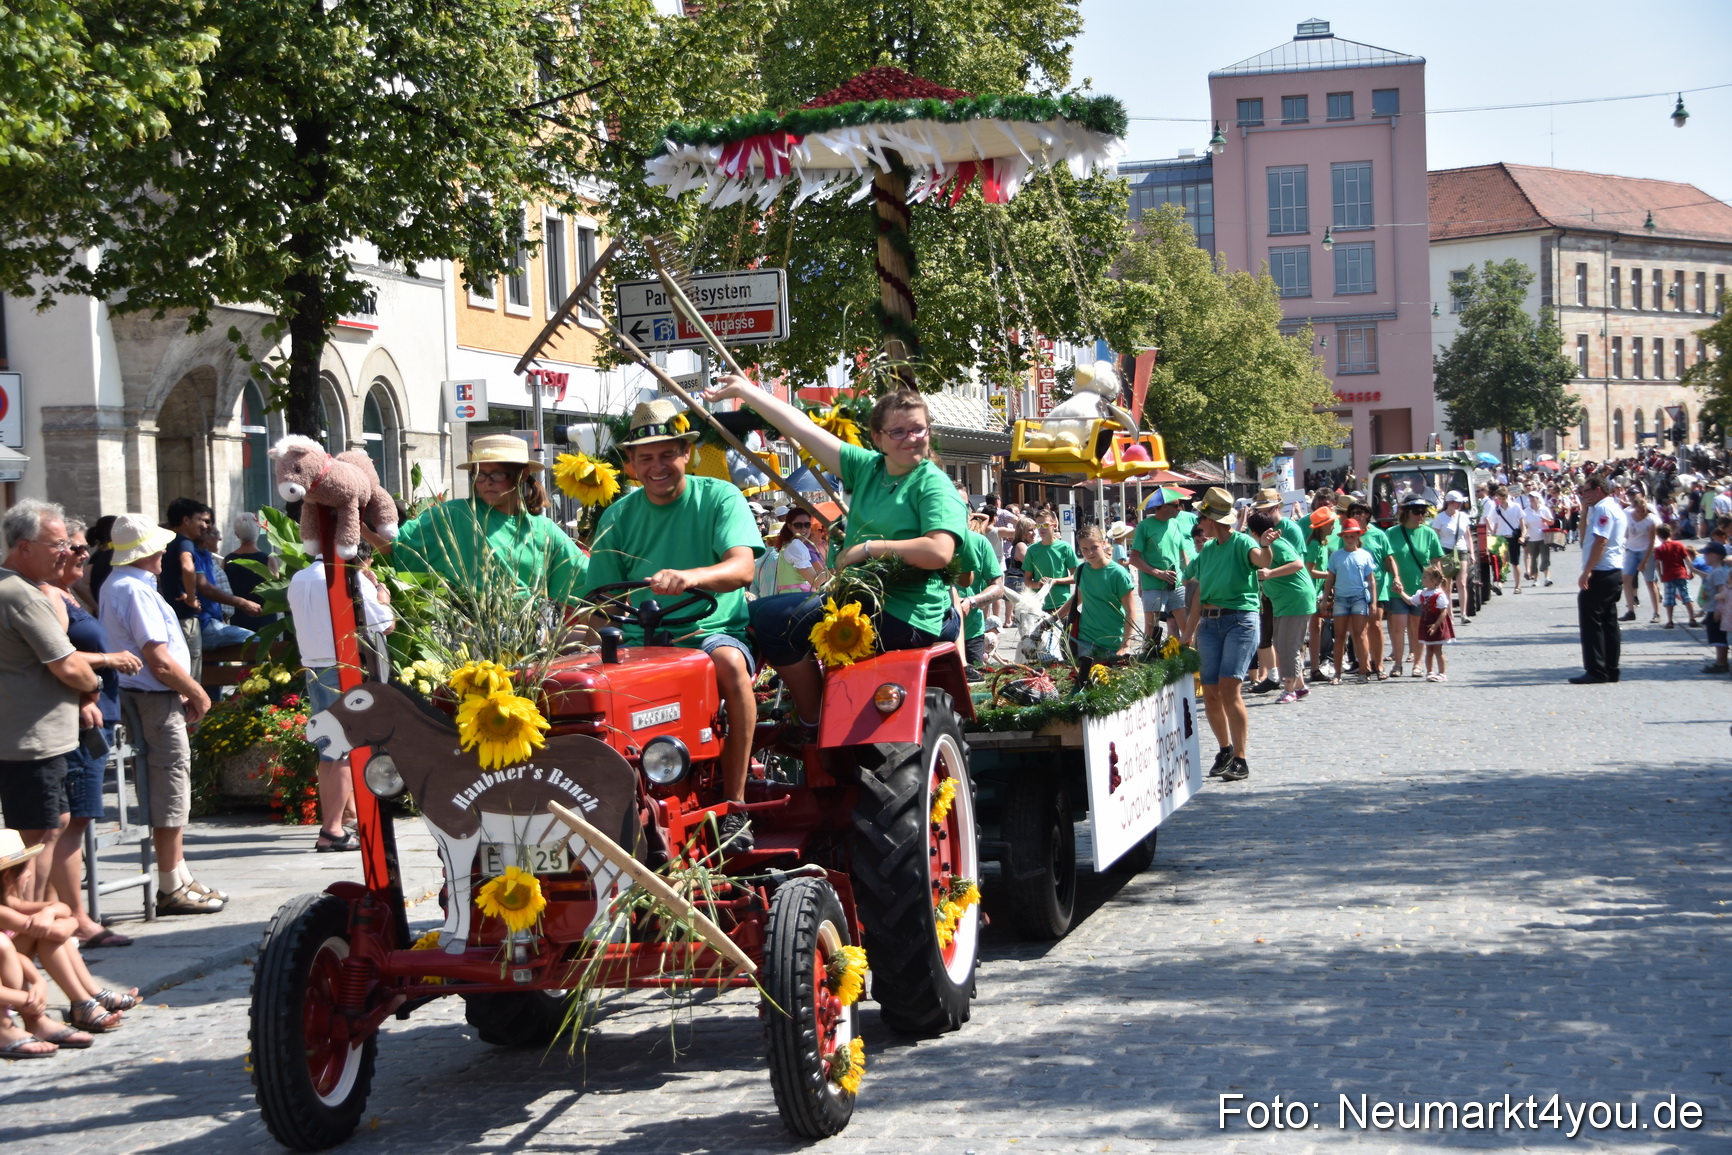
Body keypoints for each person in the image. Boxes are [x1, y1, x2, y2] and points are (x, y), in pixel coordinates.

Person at [707, 379, 963, 744]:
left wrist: (869, 548)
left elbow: (940, 551)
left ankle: (814, 722)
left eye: (919, 429)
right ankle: (786, 716)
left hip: (904, 614)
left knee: (776, 619)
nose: (912, 438)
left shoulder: (933, 485)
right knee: (760, 613)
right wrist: (746, 391)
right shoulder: (869, 469)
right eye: (899, 431)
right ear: (877, 437)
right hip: (859, 601)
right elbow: (801, 427)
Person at [585, 399, 765, 849]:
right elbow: (600, 602)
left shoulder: (719, 498)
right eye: (645, 457)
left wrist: (690, 577)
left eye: (668, 453)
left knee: (728, 665)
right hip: (638, 640)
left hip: (708, 632)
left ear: (687, 452)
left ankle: (735, 805)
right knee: (584, 686)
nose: (657, 465)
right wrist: (583, 641)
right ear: (630, 464)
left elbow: (742, 568)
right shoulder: (618, 516)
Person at [98, 513, 222, 913]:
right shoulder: (132, 588)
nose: (165, 549)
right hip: (155, 697)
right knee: (170, 783)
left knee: (171, 782)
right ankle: (171, 883)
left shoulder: (125, 584)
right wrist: (197, 692)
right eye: (158, 544)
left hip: (150, 695)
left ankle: (178, 875)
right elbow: (159, 660)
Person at [35, 517, 141, 946]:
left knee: (73, 820)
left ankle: (62, 913)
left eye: (83, 548)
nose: (84, 555)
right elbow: (59, 658)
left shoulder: (64, 591)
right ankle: (74, 918)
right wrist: (102, 670)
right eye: (75, 548)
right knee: (71, 821)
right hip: (82, 719)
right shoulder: (48, 596)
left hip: (94, 715)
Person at [1, 500, 104, 889]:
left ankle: (38, 926)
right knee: (35, 839)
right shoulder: (22, 595)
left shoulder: (21, 588)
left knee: (54, 825)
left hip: (30, 737)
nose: (66, 552)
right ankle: (25, 935)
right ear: (24, 546)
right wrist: (93, 686)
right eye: (57, 544)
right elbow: (68, 664)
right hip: (32, 740)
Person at [387, 433, 589, 606]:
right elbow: (395, 546)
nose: (487, 482)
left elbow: (589, 580)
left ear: (522, 474)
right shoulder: (455, 514)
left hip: (531, 637)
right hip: (470, 638)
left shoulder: (544, 530)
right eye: (480, 475)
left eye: (498, 474)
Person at [288, 554, 393, 852]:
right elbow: (385, 624)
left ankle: (340, 820)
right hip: (342, 665)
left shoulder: (300, 577)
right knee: (345, 751)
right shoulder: (350, 577)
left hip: (313, 665)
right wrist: (381, 593)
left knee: (328, 753)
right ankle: (332, 829)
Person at [1178, 487, 1274, 784]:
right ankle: (1224, 750)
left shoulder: (1242, 542)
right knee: (1209, 692)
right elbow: (1197, 595)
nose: (1199, 521)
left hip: (1240, 622)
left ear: (1211, 519)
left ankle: (1241, 759)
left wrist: (1267, 545)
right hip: (1209, 624)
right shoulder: (1207, 550)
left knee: (1229, 688)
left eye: (1201, 516)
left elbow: (1262, 561)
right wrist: (1187, 633)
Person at [157, 498, 261, 681]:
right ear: (187, 520)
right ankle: (255, 690)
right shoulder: (185, 544)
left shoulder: (193, 549)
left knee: (207, 678)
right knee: (258, 641)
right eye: (202, 520)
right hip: (197, 623)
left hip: (203, 621)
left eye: (209, 523)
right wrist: (190, 597)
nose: (207, 527)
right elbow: (202, 585)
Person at [1252, 509, 1316, 705]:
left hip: (1296, 600)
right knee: (1281, 644)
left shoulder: (1276, 545)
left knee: (1289, 647)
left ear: (1253, 532)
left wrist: (1270, 573)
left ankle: (1289, 689)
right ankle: (1300, 686)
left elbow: (1297, 564)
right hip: (1284, 602)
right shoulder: (1266, 546)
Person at [1054, 524, 1135, 665]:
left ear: (1103, 544)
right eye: (1084, 549)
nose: (1089, 553)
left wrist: (1125, 645)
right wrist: (1054, 617)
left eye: (1094, 548)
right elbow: (1079, 597)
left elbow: (1131, 611)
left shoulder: (1118, 574)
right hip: (1085, 640)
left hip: (1112, 643)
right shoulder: (1082, 570)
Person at [1572, 474, 1626, 685]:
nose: (1583, 495)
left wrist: (1587, 570)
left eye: (1586, 491)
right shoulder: (1604, 508)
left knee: (1592, 621)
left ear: (1597, 490)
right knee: (1608, 622)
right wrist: (1585, 511)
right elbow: (1584, 537)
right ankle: (1610, 668)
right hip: (1611, 570)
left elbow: (1600, 542)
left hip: (1602, 570)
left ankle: (1596, 669)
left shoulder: (1604, 508)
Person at [1384, 496, 1445, 679]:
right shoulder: (1392, 533)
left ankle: (1417, 664)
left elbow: (1436, 564)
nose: (1421, 515)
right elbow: (1387, 558)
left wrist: (1439, 588)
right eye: (1417, 511)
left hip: (1423, 590)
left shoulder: (1429, 533)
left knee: (1417, 627)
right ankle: (1397, 664)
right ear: (1406, 513)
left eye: (1423, 511)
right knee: (1398, 627)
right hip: (1397, 589)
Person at [1128, 488, 1194, 646]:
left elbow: (1182, 555)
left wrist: (1192, 576)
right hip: (1153, 586)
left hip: (1176, 585)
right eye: (1176, 505)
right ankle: (1149, 664)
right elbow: (1134, 558)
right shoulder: (1145, 526)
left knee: (1187, 630)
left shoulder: (1176, 524)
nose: (1180, 508)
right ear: (1164, 506)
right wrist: (1158, 573)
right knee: (1152, 631)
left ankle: (1186, 666)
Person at [1325, 520, 1377, 686]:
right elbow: (1330, 578)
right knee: (1339, 636)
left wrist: (1374, 602)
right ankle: (1338, 673)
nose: (1349, 539)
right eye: (1346, 536)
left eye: (1352, 536)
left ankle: (1364, 671)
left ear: (1358, 536)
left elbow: (1371, 580)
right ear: (1342, 537)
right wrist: (1326, 598)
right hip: (1340, 599)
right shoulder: (1336, 555)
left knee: (1360, 635)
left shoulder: (1365, 555)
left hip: (1359, 598)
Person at [958, 513, 1006, 674]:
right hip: (933, 635)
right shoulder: (926, 541)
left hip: (971, 634)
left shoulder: (979, 542)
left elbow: (998, 587)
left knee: (974, 691)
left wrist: (972, 601)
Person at [223, 512, 279, 632]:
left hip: (238, 621)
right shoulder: (268, 559)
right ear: (258, 530)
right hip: (265, 619)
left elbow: (223, 589)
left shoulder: (228, 560)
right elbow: (277, 591)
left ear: (236, 534)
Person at [1025, 514, 1080, 618]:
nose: (1041, 529)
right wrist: (1038, 584)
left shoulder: (1065, 547)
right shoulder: (1032, 550)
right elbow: (1027, 581)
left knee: (1065, 634)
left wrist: (1055, 581)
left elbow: (1076, 577)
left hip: (1063, 604)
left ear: (1054, 526)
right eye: (1038, 525)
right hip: (1039, 605)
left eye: (1045, 525)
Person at [1621, 491, 1662, 624]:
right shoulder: (1628, 514)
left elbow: (1651, 541)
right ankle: (1630, 610)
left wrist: (1644, 561)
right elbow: (1626, 530)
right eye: (1638, 511)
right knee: (1626, 578)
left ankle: (1656, 613)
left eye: (1643, 510)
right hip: (1632, 549)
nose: (1641, 513)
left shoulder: (1651, 520)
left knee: (1650, 581)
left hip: (1647, 550)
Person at [1433, 491, 1474, 623]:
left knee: (1462, 583)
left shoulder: (1463, 516)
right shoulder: (1440, 518)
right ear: (1450, 502)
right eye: (1458, 502)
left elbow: (1468, 536)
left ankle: (1463, 614)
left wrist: (1472, 553)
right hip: (1446, 550)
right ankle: (1449, 614)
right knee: (1447, 584)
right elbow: (1435, 536)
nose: (1460, 504)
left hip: (1461, 550)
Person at [769, 510, 826, 595]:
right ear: (790, 526)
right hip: (795, 597)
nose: (803, 529)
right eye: (798, 525)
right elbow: (815, 581)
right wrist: (836, 569)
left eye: (807, 525)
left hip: (790, 595)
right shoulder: (795, 546)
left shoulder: (791, 544)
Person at [1651, 525, 1697, 629]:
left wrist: (1660, 575)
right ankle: (1691, 618)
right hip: (1681, 574)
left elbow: (1657, 564)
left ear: (1658, 536)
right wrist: (1692, 571)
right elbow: (1687, 559)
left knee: (1669, 598)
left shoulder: (1659, 549)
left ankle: (1670, 621)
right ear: (1670, 533)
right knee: (1686, 596)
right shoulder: (1679, 544)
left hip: (1668, 576)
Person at [1416, 561, 1455, 682]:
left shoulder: (1439, 594)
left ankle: (1442, 673)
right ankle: (1430, 671)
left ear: (1432, 581)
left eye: (1424, 577)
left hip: (1437, 622)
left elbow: (1443, 611)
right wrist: (1400, 592)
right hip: (1427, 621)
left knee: (1438, 649)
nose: (1422, 579)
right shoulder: (1422, 593)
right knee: (1429, 649)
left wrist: (1436, 625)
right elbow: (1411, 600)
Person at [1485, 487, 1524, 594]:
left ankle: (1518, 586)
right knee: (1502, 562)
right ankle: (1500, 585)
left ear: (1506, 497)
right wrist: (1491, 532)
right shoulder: (1496, 509)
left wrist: (1523, 536)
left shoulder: (1516, 507)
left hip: (1513, 537)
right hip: (1501, 538)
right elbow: (1495, 525)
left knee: (1515, 563)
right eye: (1499, 499)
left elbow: (1522, 523)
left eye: (1502, 499)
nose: (1500, 501)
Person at [1697, 542, 1728, 673]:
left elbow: (1723, 592)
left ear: (1715, 556)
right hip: (1712, 608)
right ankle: (1721, 662)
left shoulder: (1718, 573)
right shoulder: (1714, 571)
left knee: (1718, 638)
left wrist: (1718, 610)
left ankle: (1721, 663)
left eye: (1706, 554)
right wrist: (1703, 609)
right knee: (1716, 638)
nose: (1704, 557)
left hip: (1717, 611)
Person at [1519, 488, 1553, 587]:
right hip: (1532, 538)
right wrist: (1524, 534)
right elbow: (1524, 524)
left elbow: (1552, 522)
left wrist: (1545, 519)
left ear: (1538, 499)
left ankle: (1547, 578)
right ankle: (1536, 579)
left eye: (1533, 497)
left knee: (1545, 558)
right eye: (1530, 498)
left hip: (1543, 537)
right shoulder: (1526, 511)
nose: (1531, 499)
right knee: (1534, 559)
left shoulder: (1544, 509)